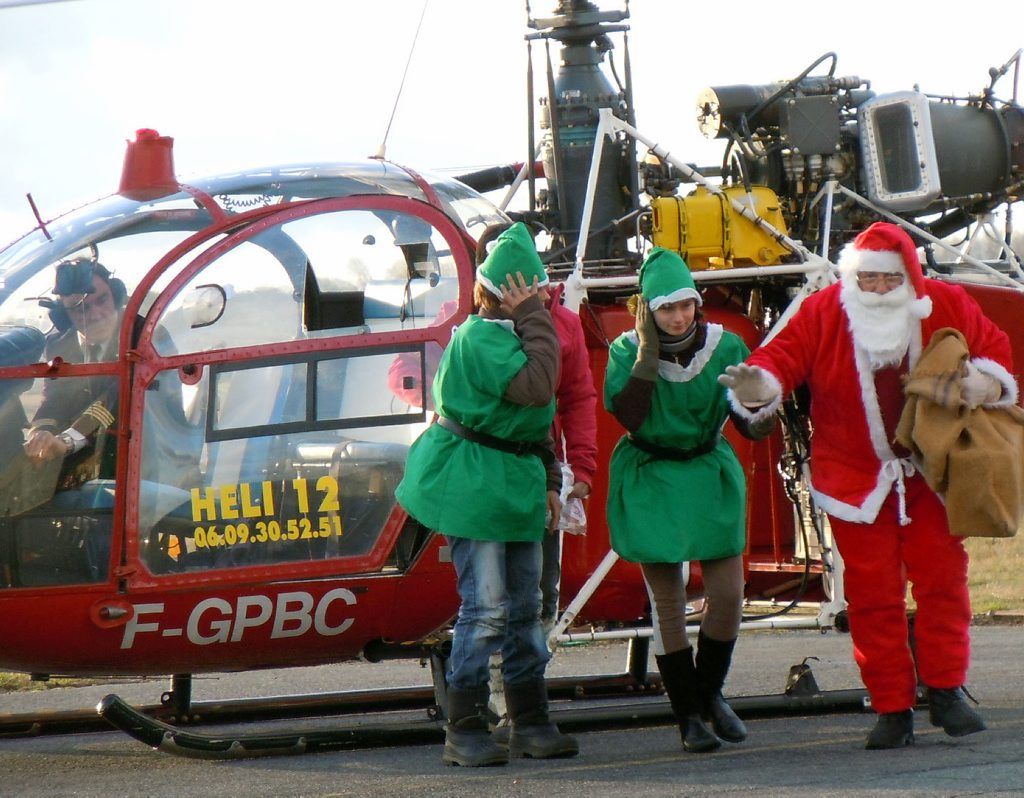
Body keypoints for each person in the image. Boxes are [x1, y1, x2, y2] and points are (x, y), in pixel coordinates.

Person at [719, 221, 1016, 749]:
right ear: (852, 278)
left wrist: (981, 382)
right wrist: (758, 386)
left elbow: (996, 350)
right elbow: (780, 358)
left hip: (933, 473)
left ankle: (946, 690)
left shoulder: (945, 303)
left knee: (943, 582)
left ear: (908, 279)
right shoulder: (823, 310)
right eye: (867, 280)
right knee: (872, 597)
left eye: (887, 280)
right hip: (854, 480)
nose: (877, 289)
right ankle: (891, 706)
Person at [395, 222, 579, 767]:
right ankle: (467, 726)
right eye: (533, 291)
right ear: (506, 294)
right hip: (473, 482)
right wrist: (535, 318)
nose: (544, 298)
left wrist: (550, 480)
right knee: (486, 608)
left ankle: (530, 721)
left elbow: (534, 423)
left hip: (513, 482)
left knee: (527, 608)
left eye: (544, 291)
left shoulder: (519, 331)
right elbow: (540, 386)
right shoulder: (479, 337)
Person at [604, 247, 768, 753]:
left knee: (728, 596)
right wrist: (647, 356)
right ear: (648, 311)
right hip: (652, 472)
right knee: (669, 601)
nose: (678, 316)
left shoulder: (726, 346)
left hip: (705, 469)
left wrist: (756, 402)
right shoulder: (624, 351)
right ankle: (688, 717)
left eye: (686, 305)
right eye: (665, 308)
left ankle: (710, 693)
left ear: (697, 304)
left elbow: (754, 428)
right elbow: (630, 417)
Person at [24, 257, 126, 481]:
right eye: (80, 309)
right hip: (90, 464)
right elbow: (54, 400)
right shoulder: (60, 345)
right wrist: (40, 435)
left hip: (143, 459)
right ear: (63, 315)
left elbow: (117, 397)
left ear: (116, 295)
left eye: (102, 300)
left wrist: (66, 441)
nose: (96, 315)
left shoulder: (142, 334)